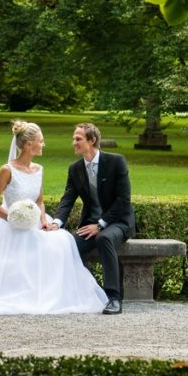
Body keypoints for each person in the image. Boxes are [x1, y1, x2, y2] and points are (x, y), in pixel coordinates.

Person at [0, 121, 109, 315]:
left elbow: (40, 200)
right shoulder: (7, 170)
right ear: (27, 145)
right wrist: (12, 218)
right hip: (6, 222)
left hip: (34, 221)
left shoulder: (39, 169)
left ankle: (46, 295)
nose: (44, 145)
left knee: (60, 243)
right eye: (40, 141)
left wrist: (43, 220)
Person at [53, 123, 135, 315]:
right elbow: (68, 199)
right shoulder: (75, 169)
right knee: (68, 244)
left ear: (92, 140)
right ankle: (94, 292)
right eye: (74, 138)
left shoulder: (116, 162)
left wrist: (101, 224)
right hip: (91, 223)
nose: (74, 142)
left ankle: (114, 298)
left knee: (104, 238)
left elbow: (124, 200)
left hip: (118, 222)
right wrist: (56, 223)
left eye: (78, 139)